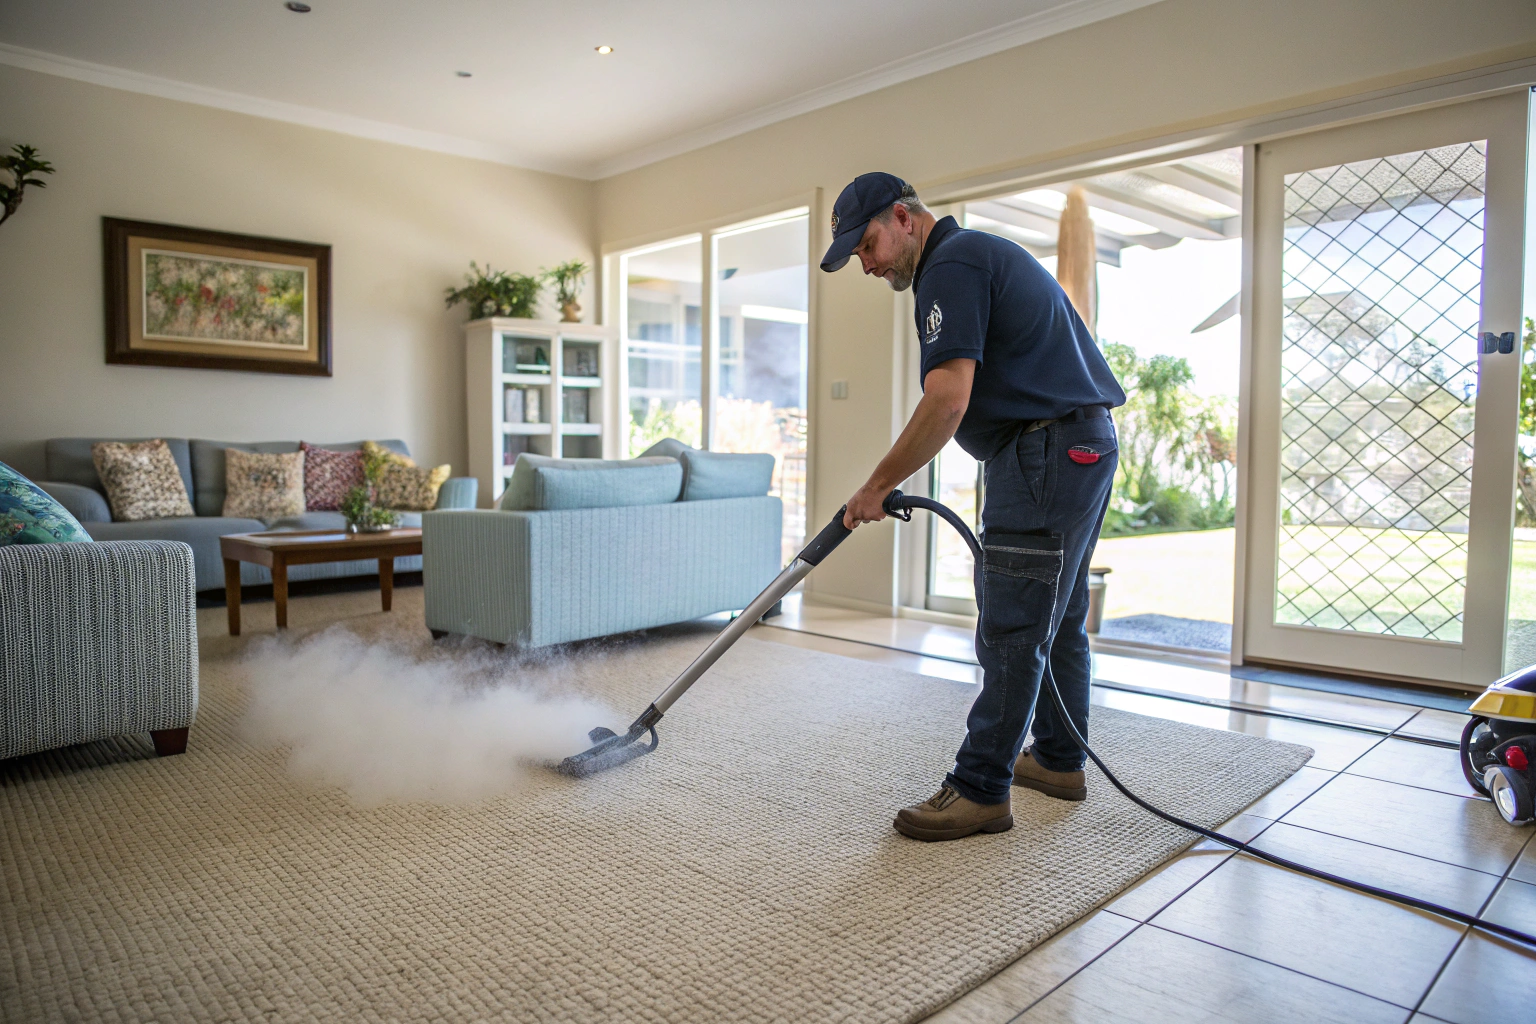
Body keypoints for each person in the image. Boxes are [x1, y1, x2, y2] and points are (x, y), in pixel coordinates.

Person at [820, 172, 1126, 841]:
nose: (866, 264)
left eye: (867, 244)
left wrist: (875, 485)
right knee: (1058, 615)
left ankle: (982, 788)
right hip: (1080, 441)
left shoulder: (950, 265)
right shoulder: (974, 256)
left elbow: (947, 399)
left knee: (1013, 625)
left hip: (1045, 448)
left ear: (903, 217)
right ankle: (1057, 758)